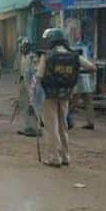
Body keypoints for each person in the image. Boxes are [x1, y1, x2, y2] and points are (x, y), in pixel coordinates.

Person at [36, 28, 96, 167]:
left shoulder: (47, 56)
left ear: (51, 40)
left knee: (51, 126)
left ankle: (54, 157)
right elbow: (92, 68)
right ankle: (65, 156)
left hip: (49, 95)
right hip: (65, 94)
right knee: (63, 125)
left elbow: (39, 76)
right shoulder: (74, 55)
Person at [16, 39, 41, 137]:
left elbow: (35, 73)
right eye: (22, 46)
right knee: (23, 105)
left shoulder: (33, 58)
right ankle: (27, 127)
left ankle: (36, 128)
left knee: (34, 105)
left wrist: (33, 86)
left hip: (32, 84)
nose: (23, 48)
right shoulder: (21, 57)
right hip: (23, 82)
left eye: (25, 46)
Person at [70, 42, 96, 130]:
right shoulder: (84, 59)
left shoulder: (74, 58)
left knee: (72, 104)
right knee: (88, 104)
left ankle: (66, 119)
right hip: (87, 84)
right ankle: (90, 122)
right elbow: (93, 68)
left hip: (76, 85)